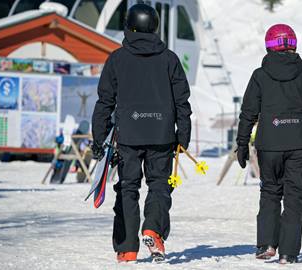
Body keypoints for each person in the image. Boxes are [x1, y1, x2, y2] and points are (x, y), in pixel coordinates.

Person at [91, 3, 192, 263]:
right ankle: (153, 229)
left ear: (129, 26)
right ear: (155, 26)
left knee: (127, 188)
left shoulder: (117, 59)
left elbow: (104, 102)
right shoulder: (169, 58)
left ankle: (127, 248)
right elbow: (182, 101)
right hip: (162, 134)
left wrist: (99, 138)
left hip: (128, 136)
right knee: (159, 185)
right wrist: (184, 135)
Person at [236, 24, 302, 264]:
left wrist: (242, 144)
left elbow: (248, 113)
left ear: (268, 45)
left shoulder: (260, 75)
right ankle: (288, 252)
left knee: (270, 193)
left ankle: (266, 243)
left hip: (270, 145)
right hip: (299, 146)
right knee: (295, 198)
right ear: (294, 44)